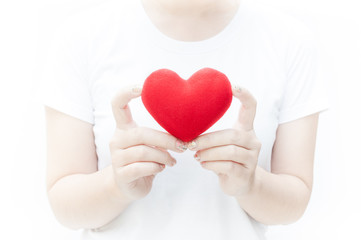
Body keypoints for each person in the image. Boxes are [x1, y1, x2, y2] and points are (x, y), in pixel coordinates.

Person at [42, 0, 328, 239]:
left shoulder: (290, 41)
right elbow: (64, 205)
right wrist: (115, 185)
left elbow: (295, 201)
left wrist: (251, 184)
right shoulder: (81, 38)